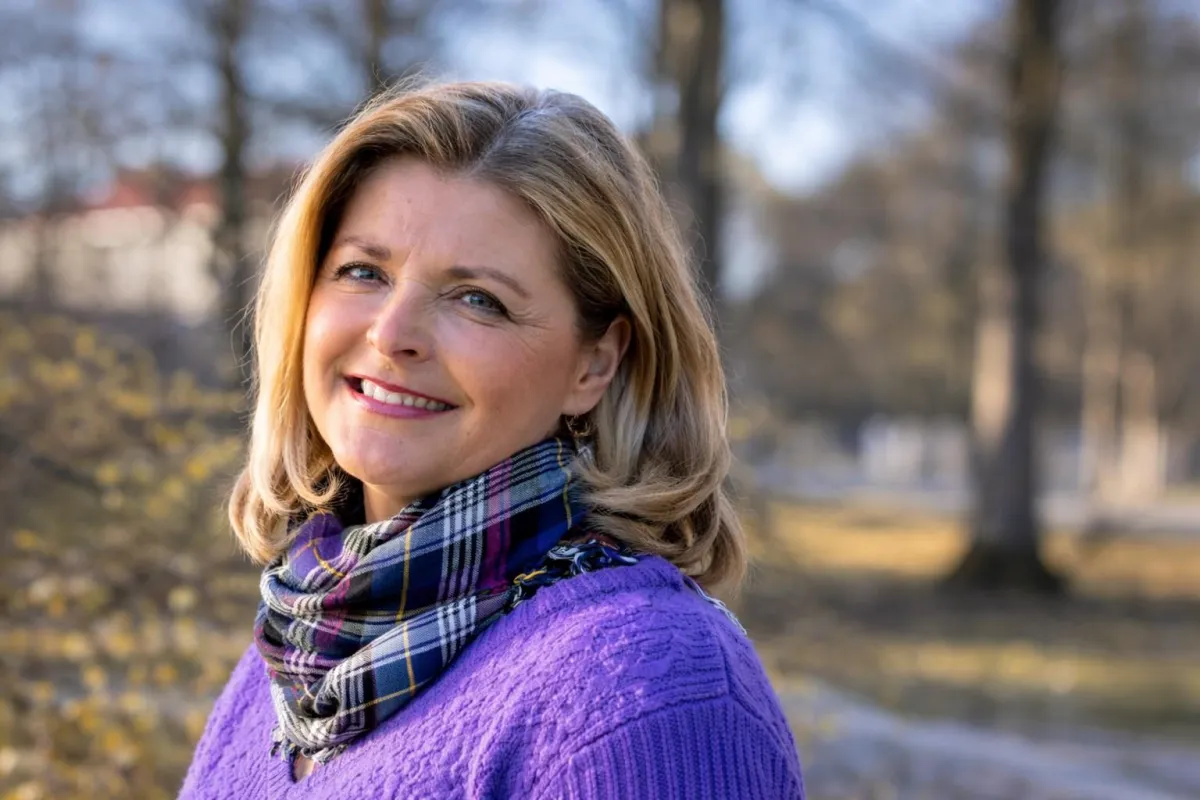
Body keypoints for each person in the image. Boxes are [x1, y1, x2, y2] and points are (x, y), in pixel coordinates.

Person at [178, 80, 805, 800]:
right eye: (363, 272)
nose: (391, 334)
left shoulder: (646, 689)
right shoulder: (292, 646)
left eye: (479, 299)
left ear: (594, 364)